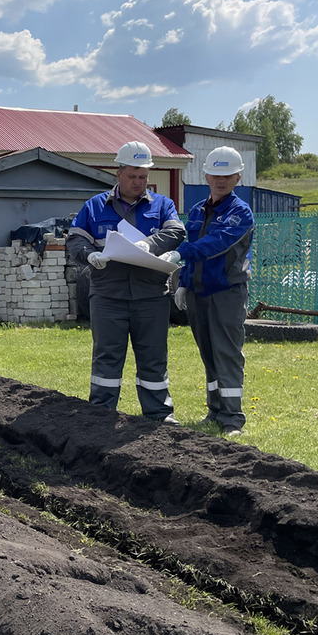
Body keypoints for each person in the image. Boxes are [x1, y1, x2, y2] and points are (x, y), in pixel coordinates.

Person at [66, 141, 186, 422]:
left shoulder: (162, 205)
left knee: (153, 357)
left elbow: (176, 231)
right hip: (108, 296)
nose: (138, 182)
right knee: (107, 356)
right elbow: (74, 240)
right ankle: (101, 412)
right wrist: (89, 254)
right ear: (118, 173)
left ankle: (159, 414)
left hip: (151, 296)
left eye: (143, 176)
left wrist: (149, 244)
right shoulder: (94, 207)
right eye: (132, 176)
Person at [162, 146, 253, 437]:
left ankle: (232, 418)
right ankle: (215, 410)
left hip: (227, 292)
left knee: (227, 352)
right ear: (206, 175)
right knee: (209, 353)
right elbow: (196, 254)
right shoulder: (199, 210)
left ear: (238, 177)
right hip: (198, 292)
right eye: (215, 174)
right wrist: (185, 282)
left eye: (227, 175)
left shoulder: (239, 212)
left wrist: (180, 254)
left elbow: (215, 244)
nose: (220, 180)